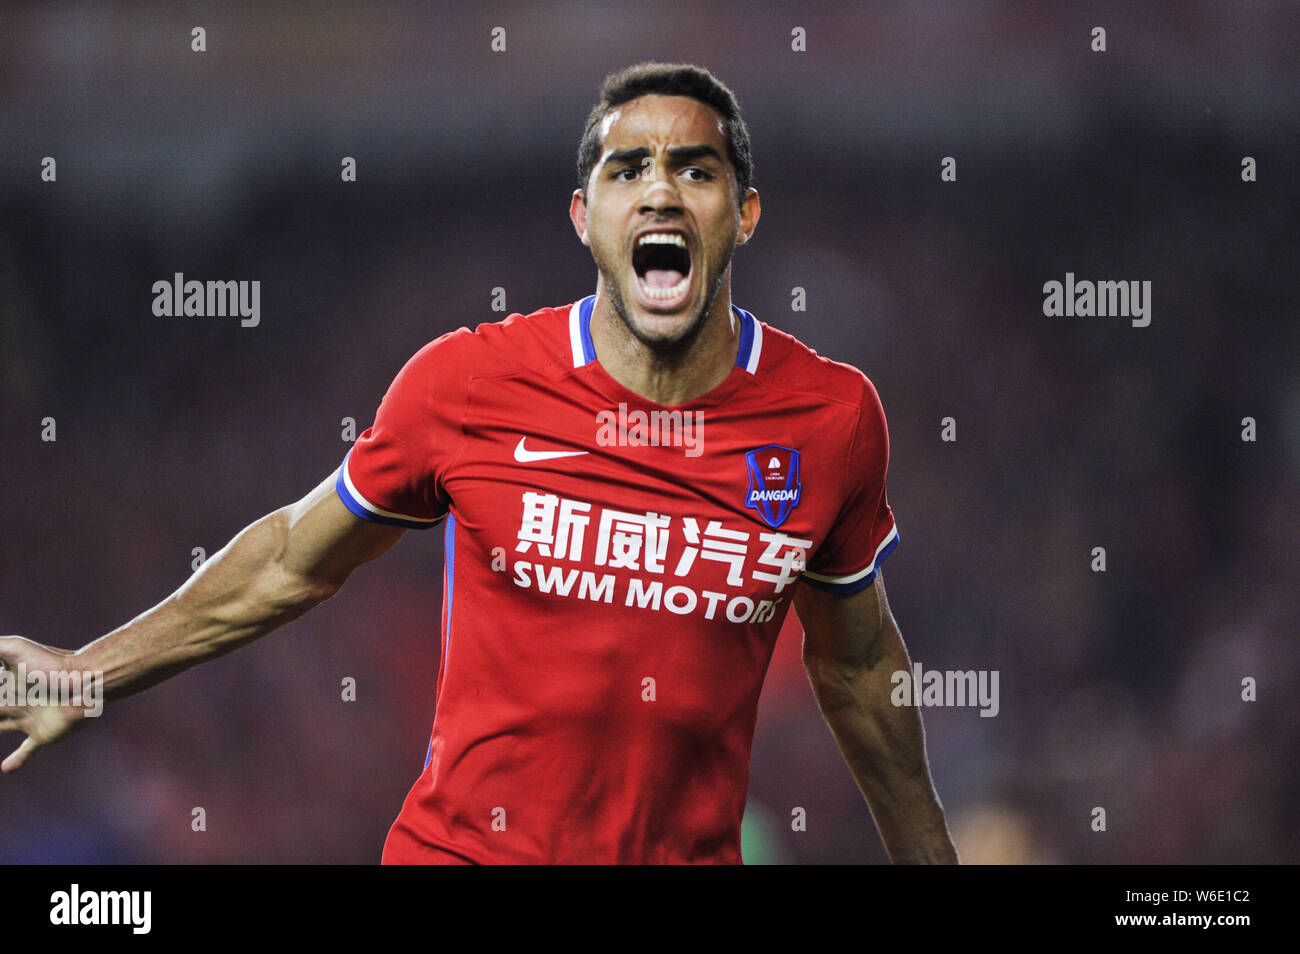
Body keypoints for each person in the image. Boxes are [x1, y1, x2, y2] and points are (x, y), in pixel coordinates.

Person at [0, 62, 958, 864]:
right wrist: (87, 672)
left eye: (695, 170)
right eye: (629, 170)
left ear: (742, 215)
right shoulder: (468, 385)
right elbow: (294, 559)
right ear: (585, 219)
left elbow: (860, 666)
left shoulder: (830, 419)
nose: (661, 189)